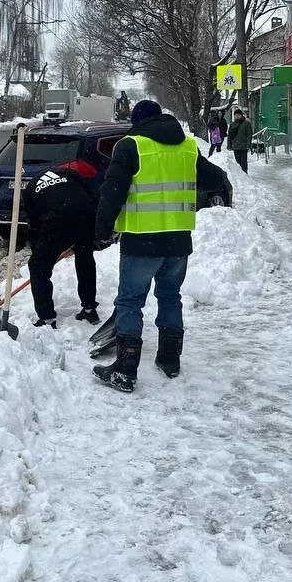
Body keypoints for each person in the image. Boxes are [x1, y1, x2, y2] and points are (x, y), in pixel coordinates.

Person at [93, 99, 199, 393]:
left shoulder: (130, 146)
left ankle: (125, 371)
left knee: (130, 302)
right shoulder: (188, 146)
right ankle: (170, 360)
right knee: (170, 296)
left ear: (137, 121)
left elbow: (112, 191)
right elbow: (212, 178)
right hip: (178, 241)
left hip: (142, 241)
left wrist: (101, 229)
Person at [23, 165, 102, 329]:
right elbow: (91, 197)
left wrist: (44, 251)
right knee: (85, 258)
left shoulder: (31, 187)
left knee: (37, 267)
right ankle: (89, 309)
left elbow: (35, 225)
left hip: (55, 220)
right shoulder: (71, 174)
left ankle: (46, 318)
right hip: (85, 216)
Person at [227, 107, 252, 173]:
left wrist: (248, 145)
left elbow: (249, 135)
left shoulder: (246, 124)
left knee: (243, 161)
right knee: (237, 161)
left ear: (241, 115)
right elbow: (229, 135)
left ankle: (245, 174)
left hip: (243, 146)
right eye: (236, 115)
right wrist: (229, 145)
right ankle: (240, 176)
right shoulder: (232, 124)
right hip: (235, 146)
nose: (237, 116)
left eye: (238, 115)